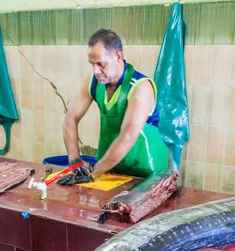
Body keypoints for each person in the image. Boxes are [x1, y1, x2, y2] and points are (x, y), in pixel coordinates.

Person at [58, 28, 170, 185]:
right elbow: (71, 118)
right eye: (92, 65)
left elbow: (128, 136)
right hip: (110, 169)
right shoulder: (94, 82)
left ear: (118, 56)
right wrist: (75, 162)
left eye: (101, 64)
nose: (96, 71)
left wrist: (93, 173)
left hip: (147, 173)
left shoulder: (140, 87)